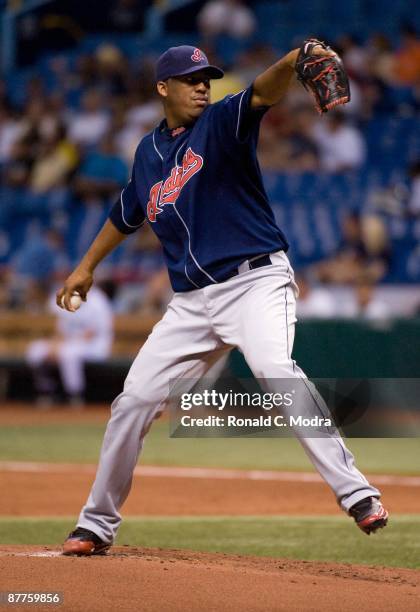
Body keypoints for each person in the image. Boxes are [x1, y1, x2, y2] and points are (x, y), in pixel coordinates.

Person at [59, 44, 388, 555]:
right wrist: (85, 268)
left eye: (206, 77)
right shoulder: (148, 153)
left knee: (275, 369)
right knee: (134, 401)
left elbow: (263, 90)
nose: (201, 86)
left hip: (255, 281)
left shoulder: (221, 123)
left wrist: (296, 57)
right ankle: (96, 524)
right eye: (189, 79)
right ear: (162, 88)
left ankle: (357, 494)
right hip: (191, 303)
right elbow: (128, 210)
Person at [27, 284, 114, 406]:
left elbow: (91, 334)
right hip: (69, 343)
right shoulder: (66, 296)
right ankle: (46, 391)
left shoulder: (98, 300)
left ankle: (74, 395)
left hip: (95, 345)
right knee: (35, 350)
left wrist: (63, 345)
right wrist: (54, 345)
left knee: (69, 353)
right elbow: (60, 329)